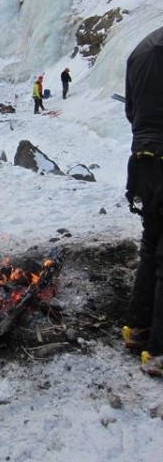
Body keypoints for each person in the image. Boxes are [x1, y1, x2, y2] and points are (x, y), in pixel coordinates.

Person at [123, 25, 163, 376]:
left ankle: (138, 328)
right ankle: (160, 350)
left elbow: (131, 111)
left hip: (143, 159)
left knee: (152, 244)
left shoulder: (139, 49)